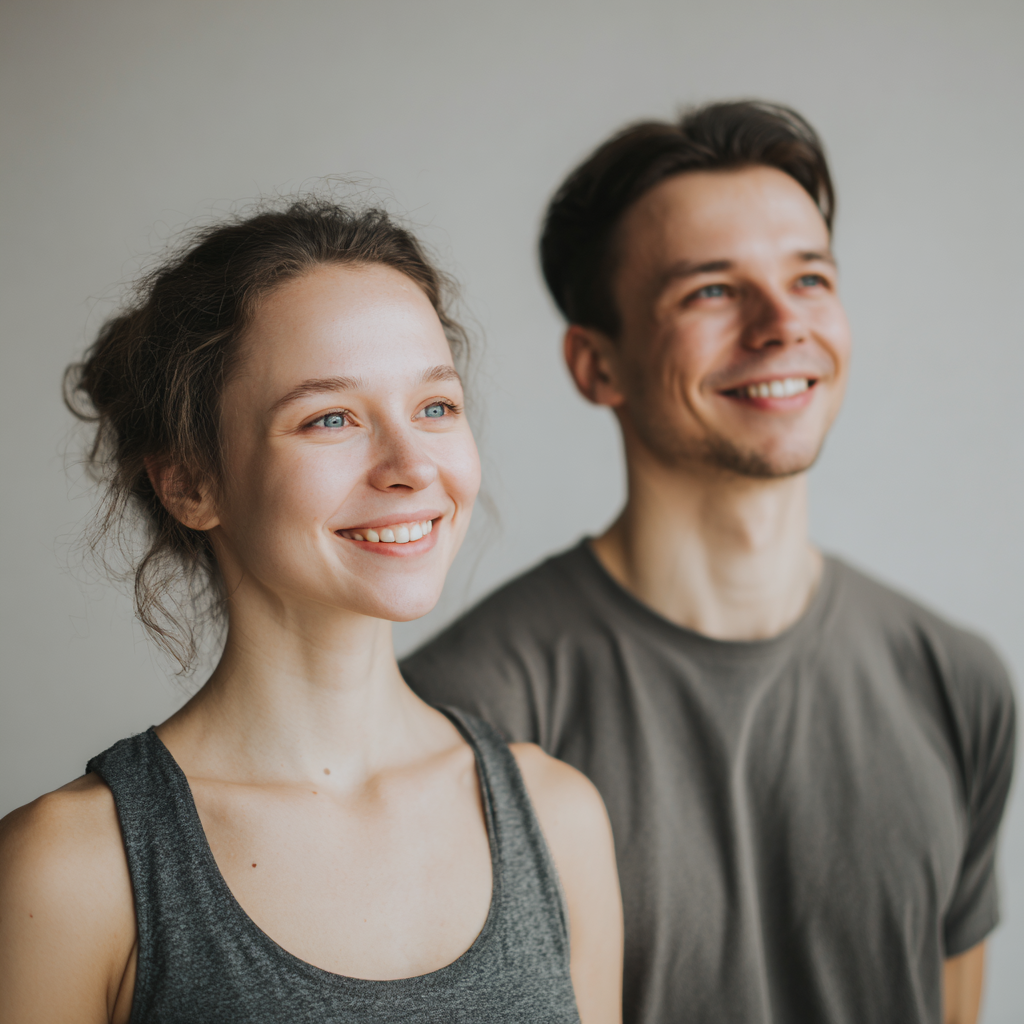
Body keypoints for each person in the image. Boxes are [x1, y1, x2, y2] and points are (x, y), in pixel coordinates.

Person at [401, 102, 1016, 1024]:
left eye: (810, 278)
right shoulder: (456, 719)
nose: (781, 326)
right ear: (597, 366)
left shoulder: (955, 681)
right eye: (712, 292)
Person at [0, 199, 623, 1023]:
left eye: (435, 407)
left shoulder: (558, 817)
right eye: (331, 417)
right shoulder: (70, 871)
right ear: (191, 482)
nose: (411, 466)